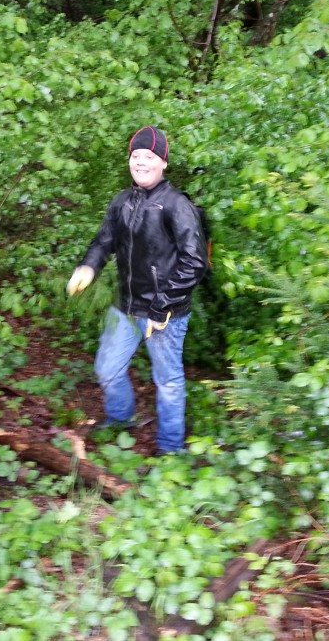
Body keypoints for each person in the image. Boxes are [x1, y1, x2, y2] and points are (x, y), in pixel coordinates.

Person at [66, 125, 208, 455]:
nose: (141, 162)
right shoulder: (122, 202)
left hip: (165, 313)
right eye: (136, 156)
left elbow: (194, 262)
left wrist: (163, 306)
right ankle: (121, 419)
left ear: (163, 163)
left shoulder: (176, 206)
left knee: (168, 381)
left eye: (149, 156)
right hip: (126, 306)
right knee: (107, 369)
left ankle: (171, 448)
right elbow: (104, 241)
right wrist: (89, 266)